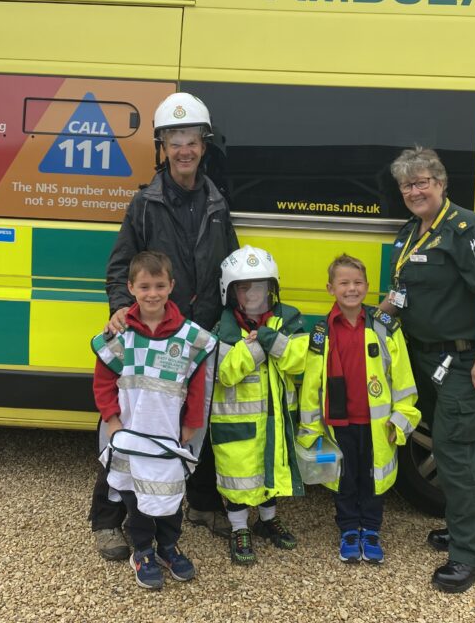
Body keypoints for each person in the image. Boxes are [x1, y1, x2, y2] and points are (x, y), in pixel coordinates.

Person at [90, 92, 239, 561]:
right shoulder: (145, 204)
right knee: (130, 429)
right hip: (150, 334)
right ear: (163, 146)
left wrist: (235, 320)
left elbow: (230, 267)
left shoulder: (217, 202)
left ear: (203, 144)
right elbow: (120, 268)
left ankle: (199, 503)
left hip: (197, 332)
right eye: (174, 140)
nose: (184, 150)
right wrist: (121, 307)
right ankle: (107, 521)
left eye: (191, 139)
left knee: (196, 421)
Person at [381, 146, 475, 593]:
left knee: (455, 455)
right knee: (454, 447)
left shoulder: (464, 228)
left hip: (460, 360)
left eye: (422, 182)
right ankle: (461, 528)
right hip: (422, 357)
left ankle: (470, 557)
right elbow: (400, 294)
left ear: (441, 183)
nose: (414, 191)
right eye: (406, 185)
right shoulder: (411, 231)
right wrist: (371, 325)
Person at [91, 251, 218, 590]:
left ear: (171, 286)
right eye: (144, 286)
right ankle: (143, 551)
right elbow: (103, 383)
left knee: (171, 498)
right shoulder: (119, 336)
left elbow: (197, 386)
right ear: (131, 287)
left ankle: (168, 547)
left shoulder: (190, 338)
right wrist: (112, 421)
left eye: (159, 285)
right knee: (136, 500)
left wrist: (191, 425)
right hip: (130, 437)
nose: (152, 293)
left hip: (169, 438)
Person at [298, 254, 421, 564]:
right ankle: (349, 529)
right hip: (338, 423)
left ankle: (372, 529)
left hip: (377, 424)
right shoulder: (320, 332)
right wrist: (311, 428)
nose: (351, 289)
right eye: (344, 283)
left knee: (373, 477)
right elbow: (312, 385)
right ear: (330, 288)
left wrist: (401, 418)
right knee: (345, 477)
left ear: (367, 287)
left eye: (357, 283)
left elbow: (403, 378)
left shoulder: (385, 327)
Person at [211, 245, 308, 564]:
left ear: (273, 289)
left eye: (261, 287)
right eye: (244, 287)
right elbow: (224, 373)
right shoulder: (223, 328)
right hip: (236, 426)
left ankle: (268, 521)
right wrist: (253, 350)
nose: (253, 294)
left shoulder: (289, 320)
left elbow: (299, 361)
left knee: (272, 471)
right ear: (231, 292)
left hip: (277, 419)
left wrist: (268, 339)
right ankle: (239, 528)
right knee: (239, 477)